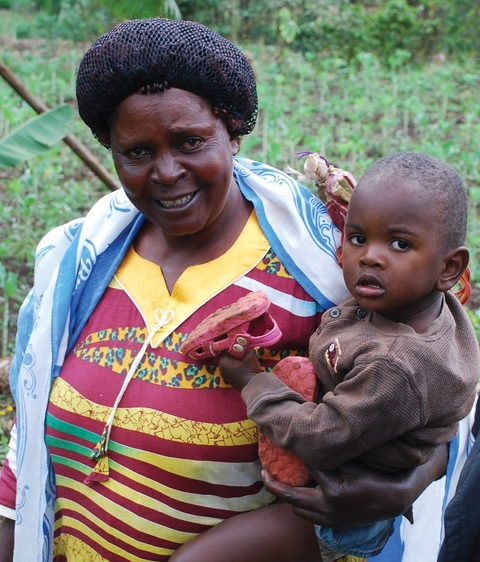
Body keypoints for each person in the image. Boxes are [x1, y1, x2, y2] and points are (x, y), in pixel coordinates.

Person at [0, 18, 472, 562]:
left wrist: (408, 483)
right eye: (137, 152)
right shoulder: (78, 266)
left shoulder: (321, 269)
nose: (167, 171)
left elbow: (431, 391)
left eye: (190, 142)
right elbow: (28, 442)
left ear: (233, 131)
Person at [216, 151, 480, 561]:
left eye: (399, 243)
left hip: (340, 511)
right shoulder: (418, 301)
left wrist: (254, 383)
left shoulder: (396, 368)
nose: (369, 256)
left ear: (450, 268)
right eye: (357, 238)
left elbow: (321, 438)